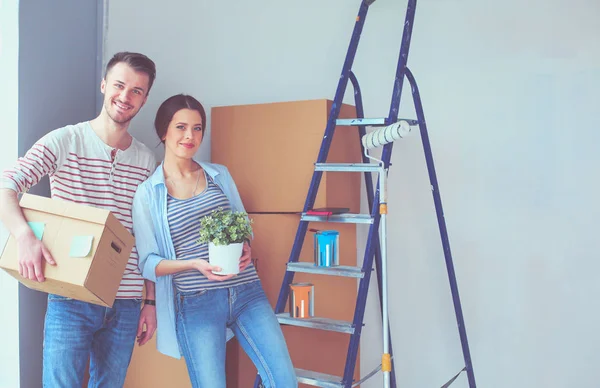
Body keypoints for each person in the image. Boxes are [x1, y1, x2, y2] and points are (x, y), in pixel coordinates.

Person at [0, 51, 159, 387]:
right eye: (119, 85)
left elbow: (149, 237)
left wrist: (150, 301)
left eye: (136, 91)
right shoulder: (65, 141)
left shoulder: (146, 160)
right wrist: (24, 236)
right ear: (104, 85)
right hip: (71, 296)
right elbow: (5, 186)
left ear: (144, 99)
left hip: (127, 301)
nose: (125, 96)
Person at [132, 94, 297, 388]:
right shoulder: (148, 193)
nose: (190, 136)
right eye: (181, 127)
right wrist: (194, 264)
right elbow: (148, 263)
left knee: (283, 379)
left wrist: (246, 244)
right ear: (163, 131)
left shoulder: (219, 174)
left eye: (197, 128)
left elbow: (242, 223)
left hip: (246, 292)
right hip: (196, 304)